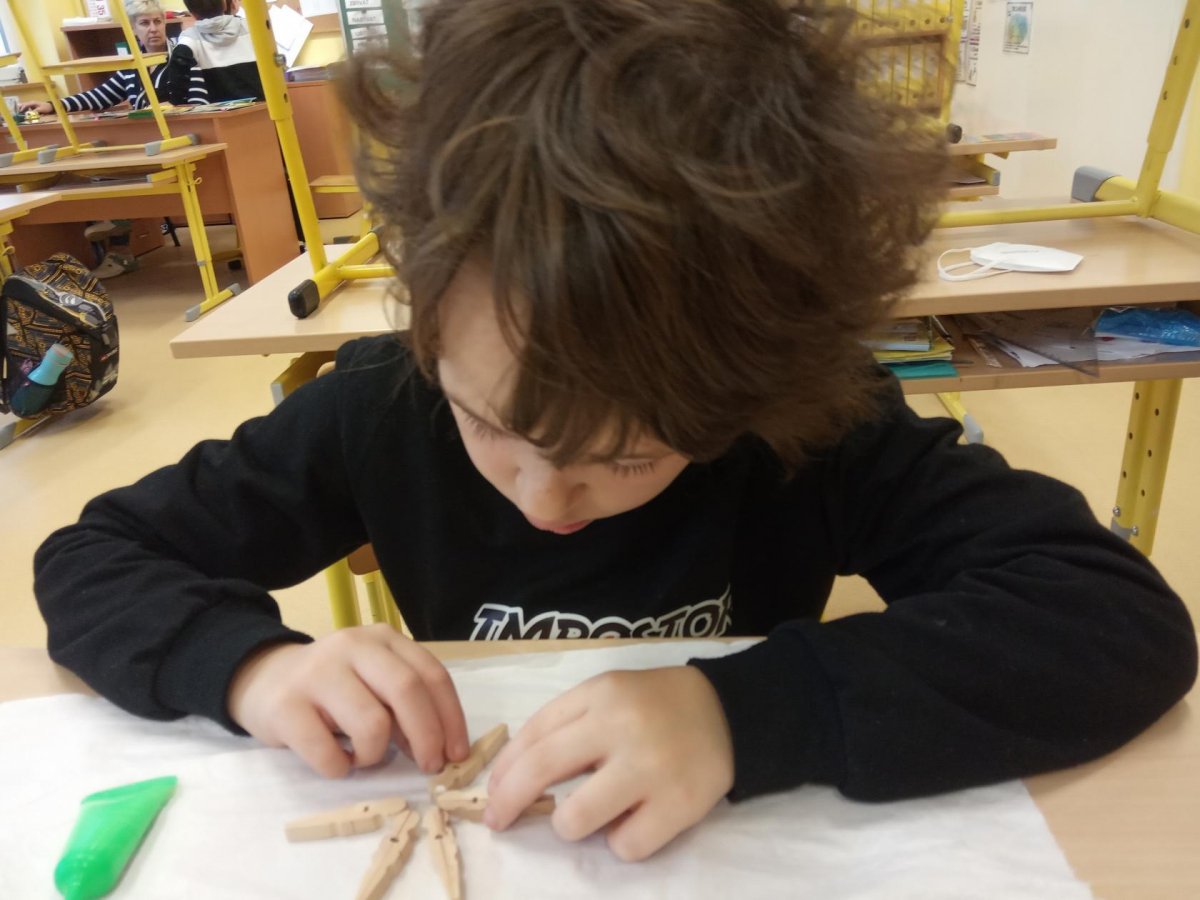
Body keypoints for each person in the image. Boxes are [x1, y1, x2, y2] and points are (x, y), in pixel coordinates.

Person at [34, 0, 1196, 864]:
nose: (544, 499)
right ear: (430, 321)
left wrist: (748, 714)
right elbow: (95, 558)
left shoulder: (811, 426)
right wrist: (252, 666)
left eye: (627, 457)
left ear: (751, 393)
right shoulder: (379, 405)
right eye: (491, 424)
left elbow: (1116, 622)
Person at [18, 0, 207, 279]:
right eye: (144, 23)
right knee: (101, 168)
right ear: (132, 29)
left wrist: (172, 111)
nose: (153, 29)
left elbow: (200, 102)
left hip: (178, 142)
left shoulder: (182, 56)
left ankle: (117, 228)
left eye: (157, 21)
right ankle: (119, 241)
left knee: (123, 172)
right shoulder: (131, 65)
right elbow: (100, 96)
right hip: (145, 145)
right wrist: (52, 105)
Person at [157, 0, 265, 105]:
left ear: (191, 13)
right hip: (264, 109)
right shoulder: (253, 28)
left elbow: (177, 94)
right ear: (224, 4)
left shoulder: (188, 42)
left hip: (220, 114)